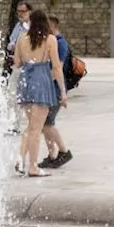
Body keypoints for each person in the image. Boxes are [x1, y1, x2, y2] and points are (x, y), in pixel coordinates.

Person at [13, 9, 67, 177]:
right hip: (42, 81)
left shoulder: (22, 39)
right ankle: (33, 166)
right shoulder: (50, 40)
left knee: (31, 126)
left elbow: (17, 62)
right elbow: (57, 67)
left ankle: (21, 159)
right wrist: (63, 92)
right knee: (36, 129)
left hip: (26, 81)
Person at [38, 16, 74, 169]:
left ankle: (63, 151)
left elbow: (57, 67)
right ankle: (52, 155)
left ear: (51, 28)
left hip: (54, 90)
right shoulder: (54, 42)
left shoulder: (60, 43)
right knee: (45, 124)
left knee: (47, 123)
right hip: (50, 89)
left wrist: (61, 92)